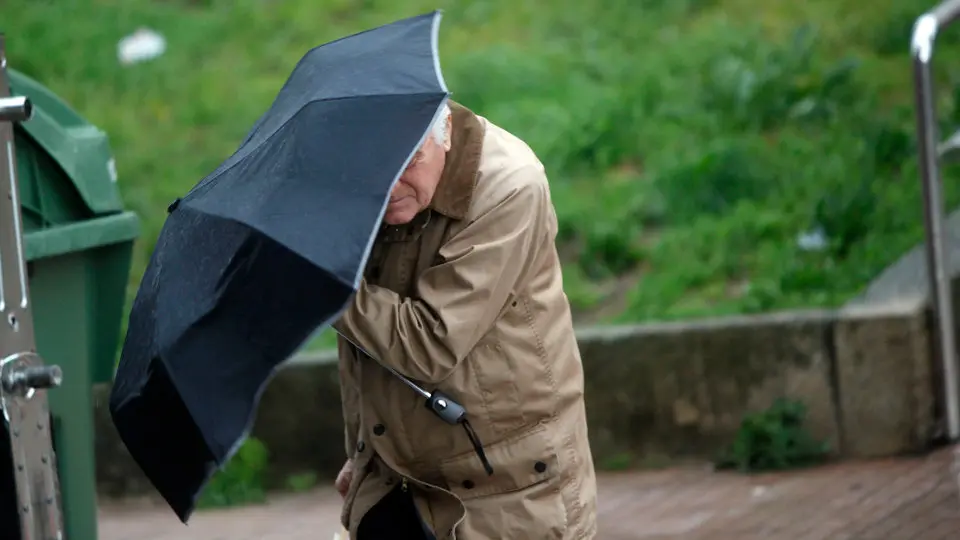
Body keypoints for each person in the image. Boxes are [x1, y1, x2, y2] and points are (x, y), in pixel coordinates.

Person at [332, 100, 598, 540]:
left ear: (447, 132)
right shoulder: (350, 183)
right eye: (373, 167)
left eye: (409, 161)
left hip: (507, 488)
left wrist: (321, 284)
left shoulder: (510, 186)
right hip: (393, 478)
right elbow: (363, 345)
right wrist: (362, 450)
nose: (390, 185)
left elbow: (429, 343)